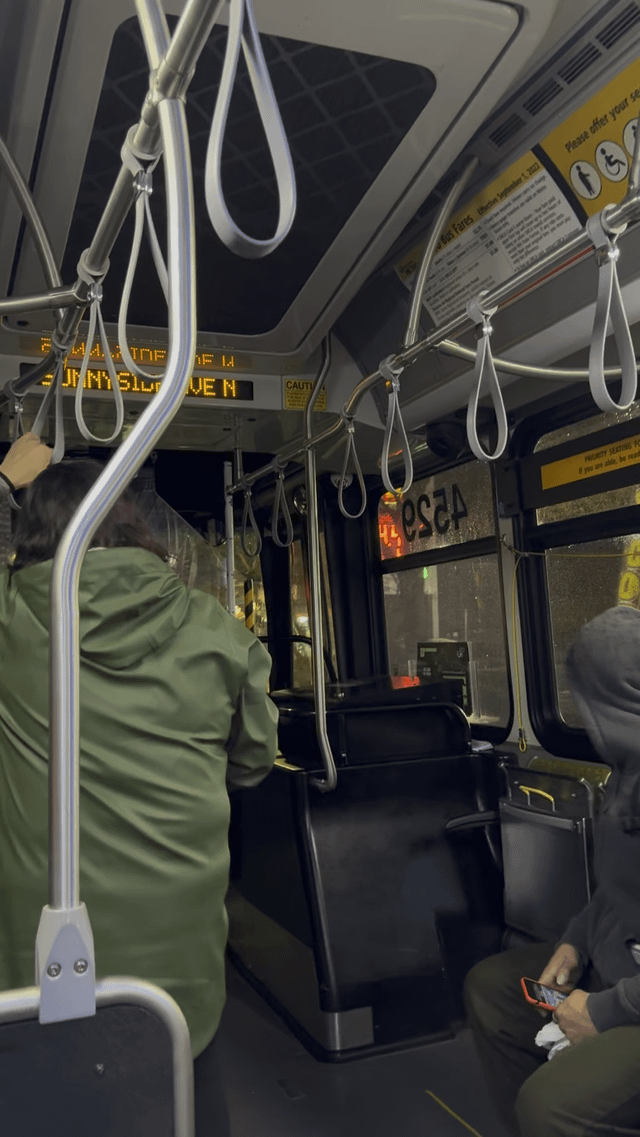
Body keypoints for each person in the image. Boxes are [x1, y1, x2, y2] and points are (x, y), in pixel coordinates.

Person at [0, 444, 278, 1136]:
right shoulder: (218, 629)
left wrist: (3, 479)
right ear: (131, 522)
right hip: (179, 978)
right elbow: (253, 763)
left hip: (34, 973)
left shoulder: (11, 624)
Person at [465, 605, 640, 1136]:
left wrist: (607, 1012)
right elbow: (618, 893)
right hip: (617, 965)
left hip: (629, 996)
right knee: (491, 989)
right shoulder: (625, 775)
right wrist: (575, 941)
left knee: (552, 1106)